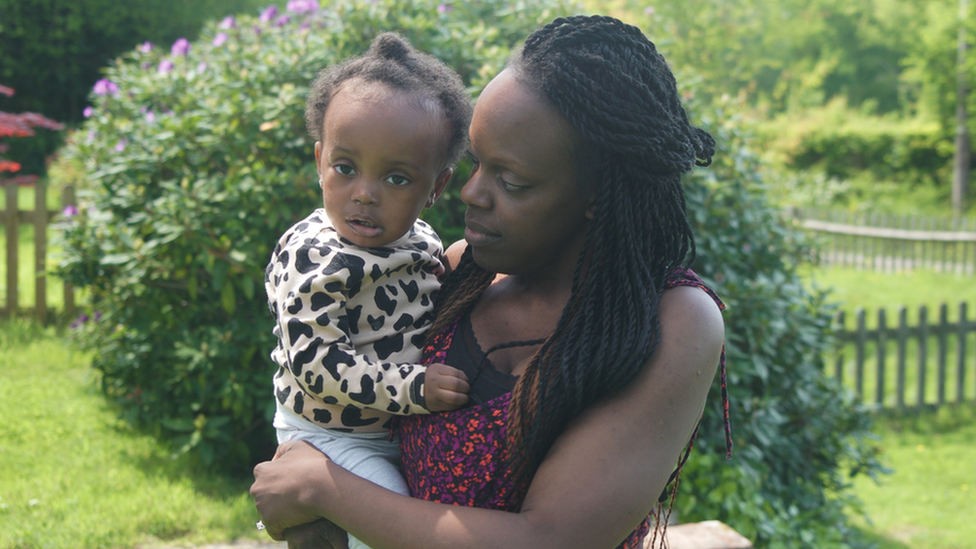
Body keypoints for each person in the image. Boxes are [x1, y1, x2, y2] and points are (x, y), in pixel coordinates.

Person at [252, 15, 730, 549]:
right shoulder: (456, 275)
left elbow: (550, 539)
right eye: (476, 162)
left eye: (512, 180)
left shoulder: (671, 320)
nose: (470, 194)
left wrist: (324, 489)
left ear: (599, 193)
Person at [262, 32, 474, 549]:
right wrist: (413, 388)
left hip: (384, 428)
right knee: (389, 527)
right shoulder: (314, 256)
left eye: (397, 178)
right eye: (345, 168)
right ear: (319, 161)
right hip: (328, 434)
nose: (364, 194)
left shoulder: (421, 239)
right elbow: (314, 363)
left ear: (435, 188)